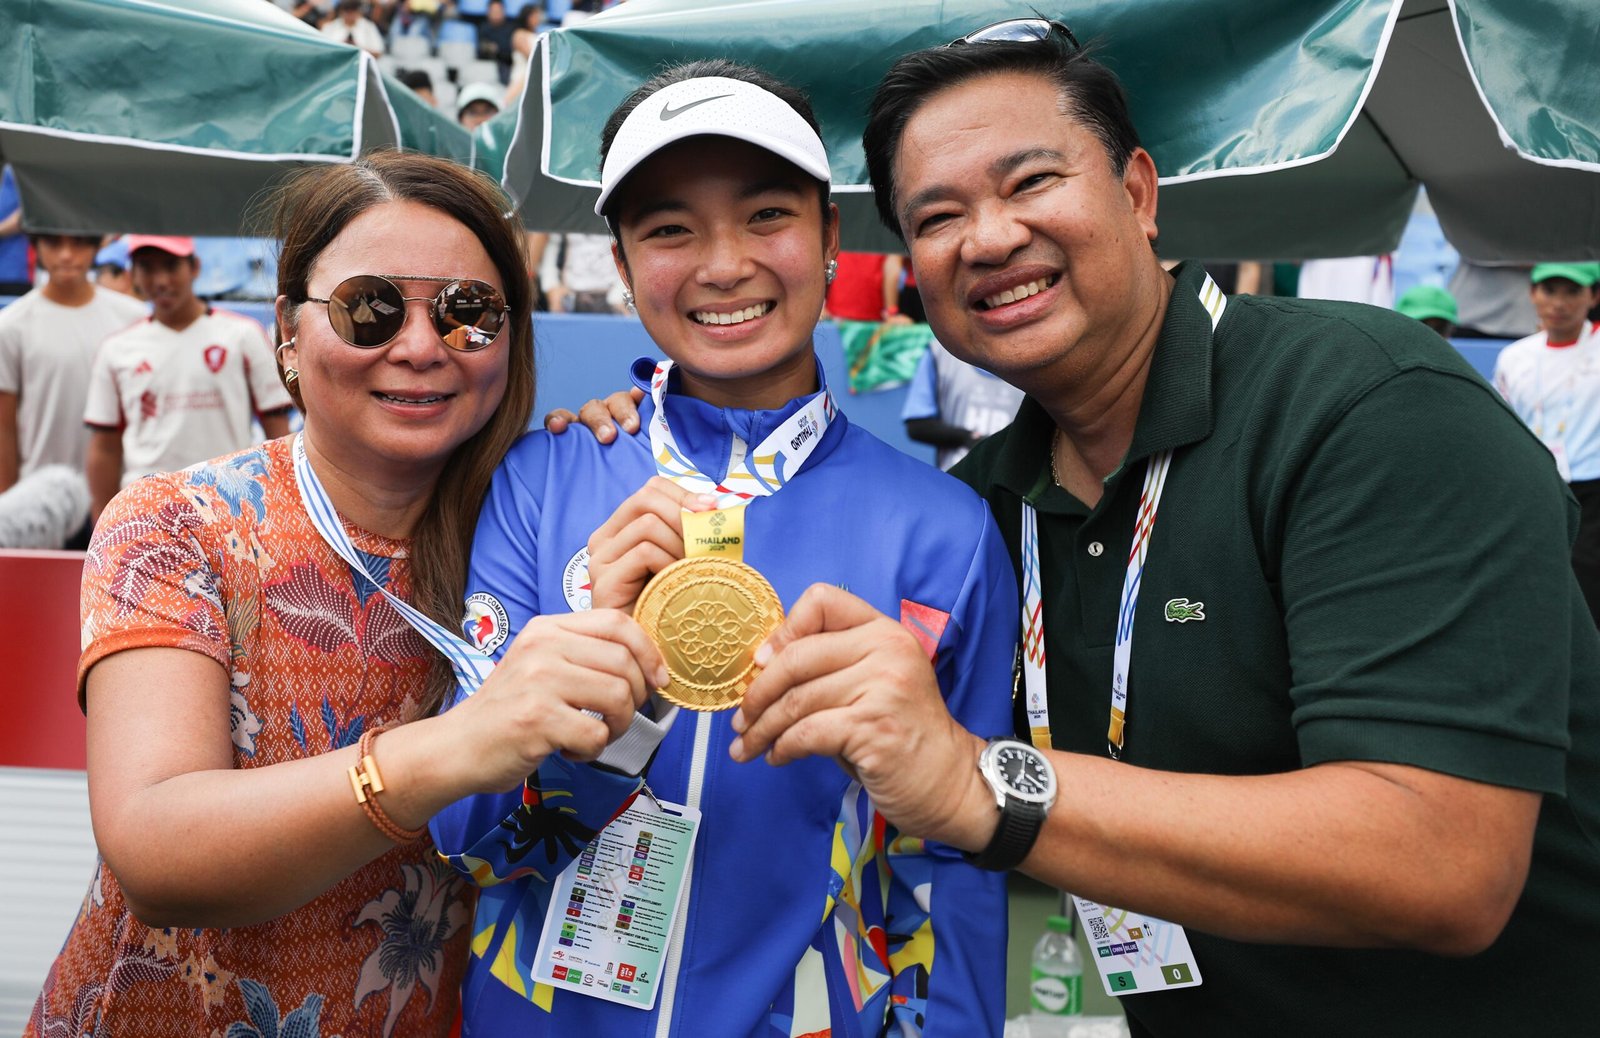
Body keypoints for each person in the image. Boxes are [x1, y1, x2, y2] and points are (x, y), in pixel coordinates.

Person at [570, 23, 1600, 1037]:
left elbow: (1442, 865)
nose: (987, 236)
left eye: (1028, 183)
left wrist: (982, 783)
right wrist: (612, 441)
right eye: (936, 215)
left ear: (1139, 194)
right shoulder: (978, 506)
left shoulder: (1364, 404)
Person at [431, 60, 1014, 1036]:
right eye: (668, 229)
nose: (722, 264)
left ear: (831, 238)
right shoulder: (541, 484)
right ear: (619, 265)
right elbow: (466, 843)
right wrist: (595, 680)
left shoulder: (943, 528)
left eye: (765, 216)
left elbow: (958, 862)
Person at [26, 151, 667, 1037]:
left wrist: (609, 465)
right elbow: (155, 850)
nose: (419, 345)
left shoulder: (534, 535)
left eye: (468, 313)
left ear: (512, 335)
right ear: (287, 329)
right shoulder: (177, 524)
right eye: (369, 308)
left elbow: (527, 842)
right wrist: (454, 747)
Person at [83, 236, 294, 522]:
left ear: (195, 267)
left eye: (171, 266)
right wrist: (102, 522)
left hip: (227, 504)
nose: (160, 280)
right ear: (133, 274)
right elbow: (105, 447)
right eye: (147, 268)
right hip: (147, 507)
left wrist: (283, 506)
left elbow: (277, 429)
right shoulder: (117, 349)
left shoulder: (242, 334)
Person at [0, 235, 146, 517]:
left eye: (78, 244)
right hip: (39, 502)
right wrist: (7, 503)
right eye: (54, 244)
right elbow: (4, 426)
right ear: (37, 247)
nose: (67, 255)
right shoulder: (10, 326)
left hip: (122, 498)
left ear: (95, 247)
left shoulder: (133, 317)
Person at [1493, 261, 1600, 623]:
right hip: (1534, 485)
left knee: (1587, 592)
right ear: (1532, 293)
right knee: (1530, 588)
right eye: (1549, 290)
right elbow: (1504, 422)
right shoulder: (1515, 356)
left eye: (1572, 292)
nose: (1559, 303)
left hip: (1592, 489)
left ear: (1593, 296)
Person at [902, 338, 1025, 470]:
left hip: (1010, 478)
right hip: (955, 477)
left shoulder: (1032, 355)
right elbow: (917, 426)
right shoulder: (939, 352)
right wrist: (967, 437)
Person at [538, 231, 628, 313]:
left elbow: (627, 251)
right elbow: (553, 244)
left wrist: (620, 294)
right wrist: (552, 287)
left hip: (615, 297)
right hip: (571, 296)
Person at [319, 0, 385, 57]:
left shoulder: (369, 27)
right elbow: (322, 50)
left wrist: (359, 50)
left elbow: (378, 52)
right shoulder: (330, 27)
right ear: (341, 11)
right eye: (347, 12)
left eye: (353, 11)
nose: (350, 15)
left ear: (358, 11)